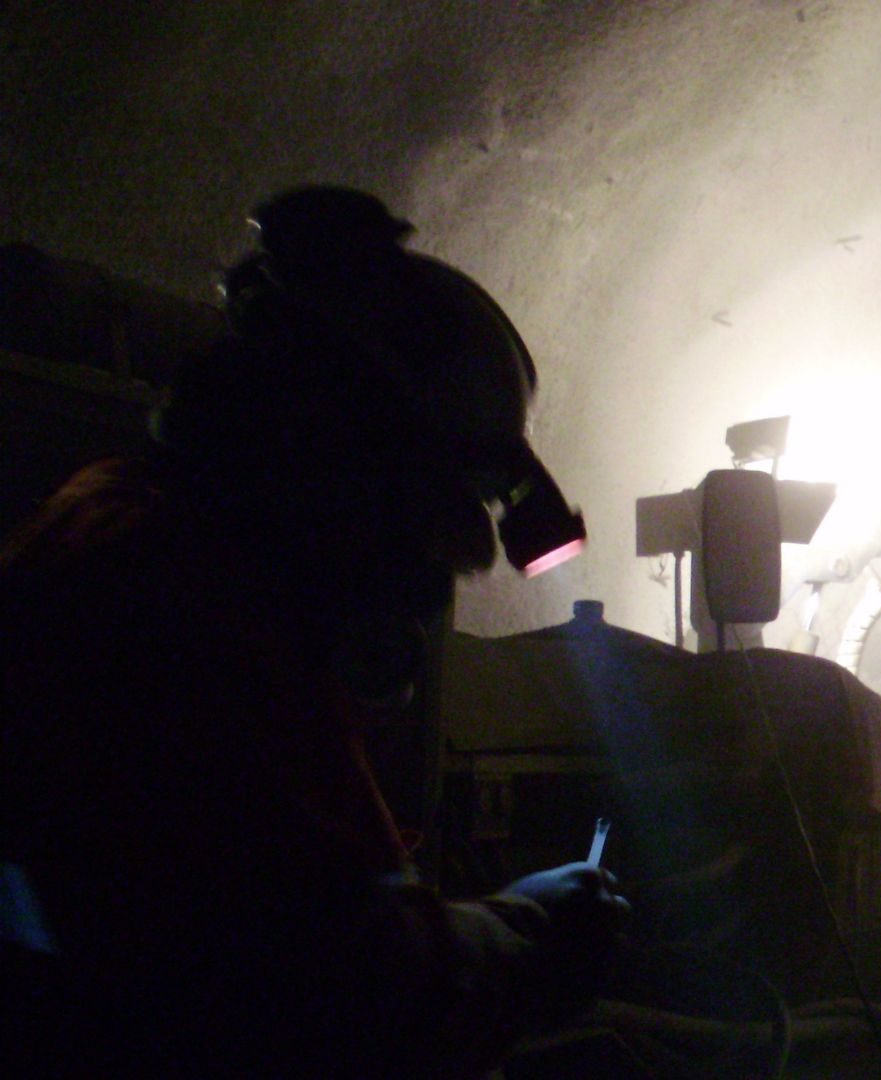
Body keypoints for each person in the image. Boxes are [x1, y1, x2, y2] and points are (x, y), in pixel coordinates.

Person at [0, 186, 624, 1078]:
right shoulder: (184, 615)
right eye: (410, 532)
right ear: (339, 456)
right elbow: (329, 993)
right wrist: (524, 938)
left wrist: (484, 931)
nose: (406, 591)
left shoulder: (135, 540)